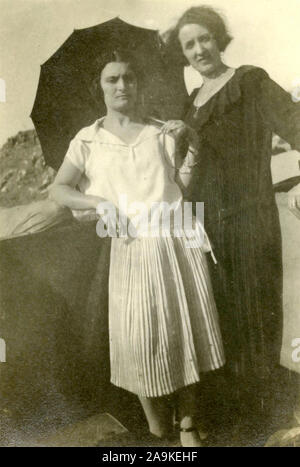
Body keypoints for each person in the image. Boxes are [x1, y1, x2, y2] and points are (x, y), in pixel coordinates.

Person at [48, 49, 225, 447]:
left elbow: (183, 186)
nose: (122, 85)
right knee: (138, 341)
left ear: (139, 84)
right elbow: (60, 189)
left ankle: (188, 425)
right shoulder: (88, 139)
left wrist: (190, 142)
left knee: (186, 333)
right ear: (100, 87)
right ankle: (157, 431)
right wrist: (98, 203)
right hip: (129, 248)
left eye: (129, 78)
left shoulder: (161, 131)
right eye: (112, 79)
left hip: (176, 240)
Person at [162, 5, 300, 434]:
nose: (200, 49)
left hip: (250, 218)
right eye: (190, 44)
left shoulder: (250, 81)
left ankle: (278, 421)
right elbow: (187, 173)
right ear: (183, 54)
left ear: (220, 38)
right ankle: (250, 424)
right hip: (207, 229)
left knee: (258, 317)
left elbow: (297, 123)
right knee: (224, 322)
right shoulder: (190, 104)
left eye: (205, 38)